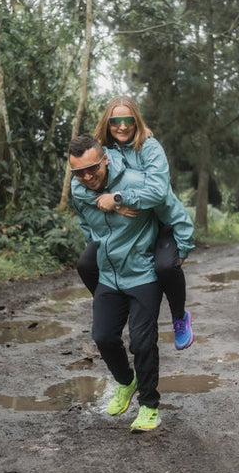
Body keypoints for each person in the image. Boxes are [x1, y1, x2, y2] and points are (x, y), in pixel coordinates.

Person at [77, 95, 194, 350]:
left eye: (127, 120)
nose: (121, 126)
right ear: (107, 123)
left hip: (158, 219)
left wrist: (119, 199)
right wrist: (111, 206)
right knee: (87, 263)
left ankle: (179, 317)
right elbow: (86, 184)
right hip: (123, 226)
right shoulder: (103, 150)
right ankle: (116, 304)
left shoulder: (149, 148)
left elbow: (158, 193)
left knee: (166, 267)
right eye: (114, 121)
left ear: (136, 121)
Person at [69, 134, 163, 432]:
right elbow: (88, 225)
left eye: (92, 168)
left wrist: (180, 248)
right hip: (109, 273)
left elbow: (165, 201)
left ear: (105, 159)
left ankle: (149, 406)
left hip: (143, 272)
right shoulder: (78, 188)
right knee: (104, 336)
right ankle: (126, 381)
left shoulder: (136, 180)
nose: (86, 177)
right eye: (78, 172)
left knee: (142, 342)